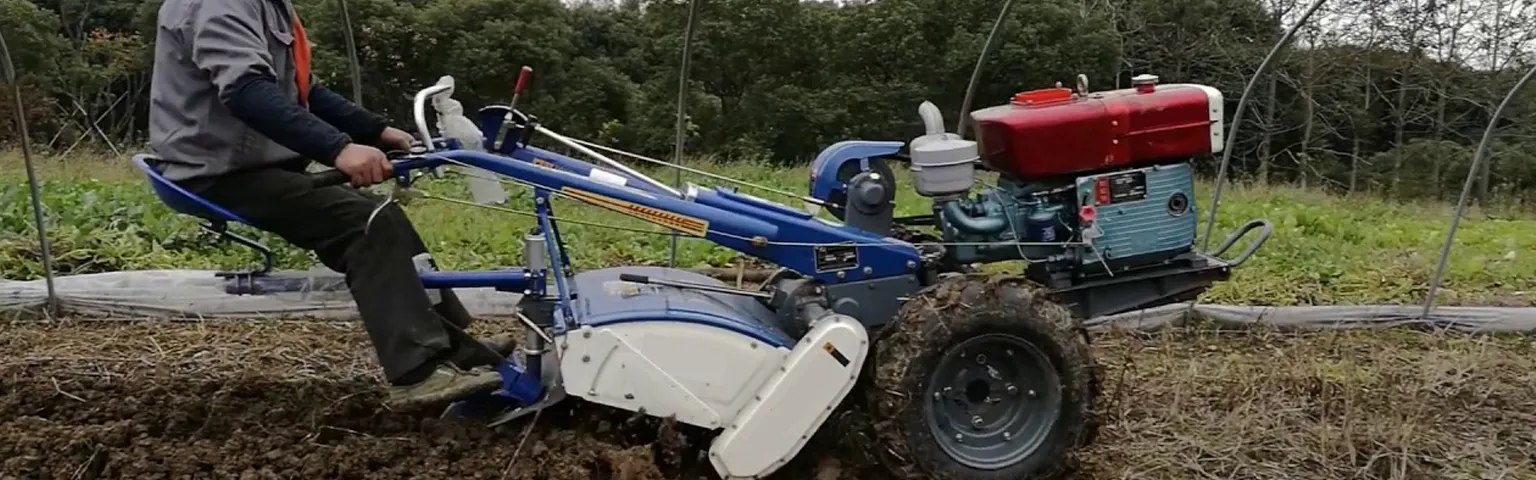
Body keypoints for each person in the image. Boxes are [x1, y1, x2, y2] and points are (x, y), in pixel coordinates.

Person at [147, 0, 513, 409]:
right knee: (365, 224)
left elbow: (304, 91)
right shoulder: (218, 4)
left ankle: (454, 345)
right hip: (216, 170)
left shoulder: (268, 5)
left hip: (248, 163)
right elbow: (246, 91)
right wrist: (337, 148)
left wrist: (376, 131)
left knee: (382, 215)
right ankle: (417, 372)